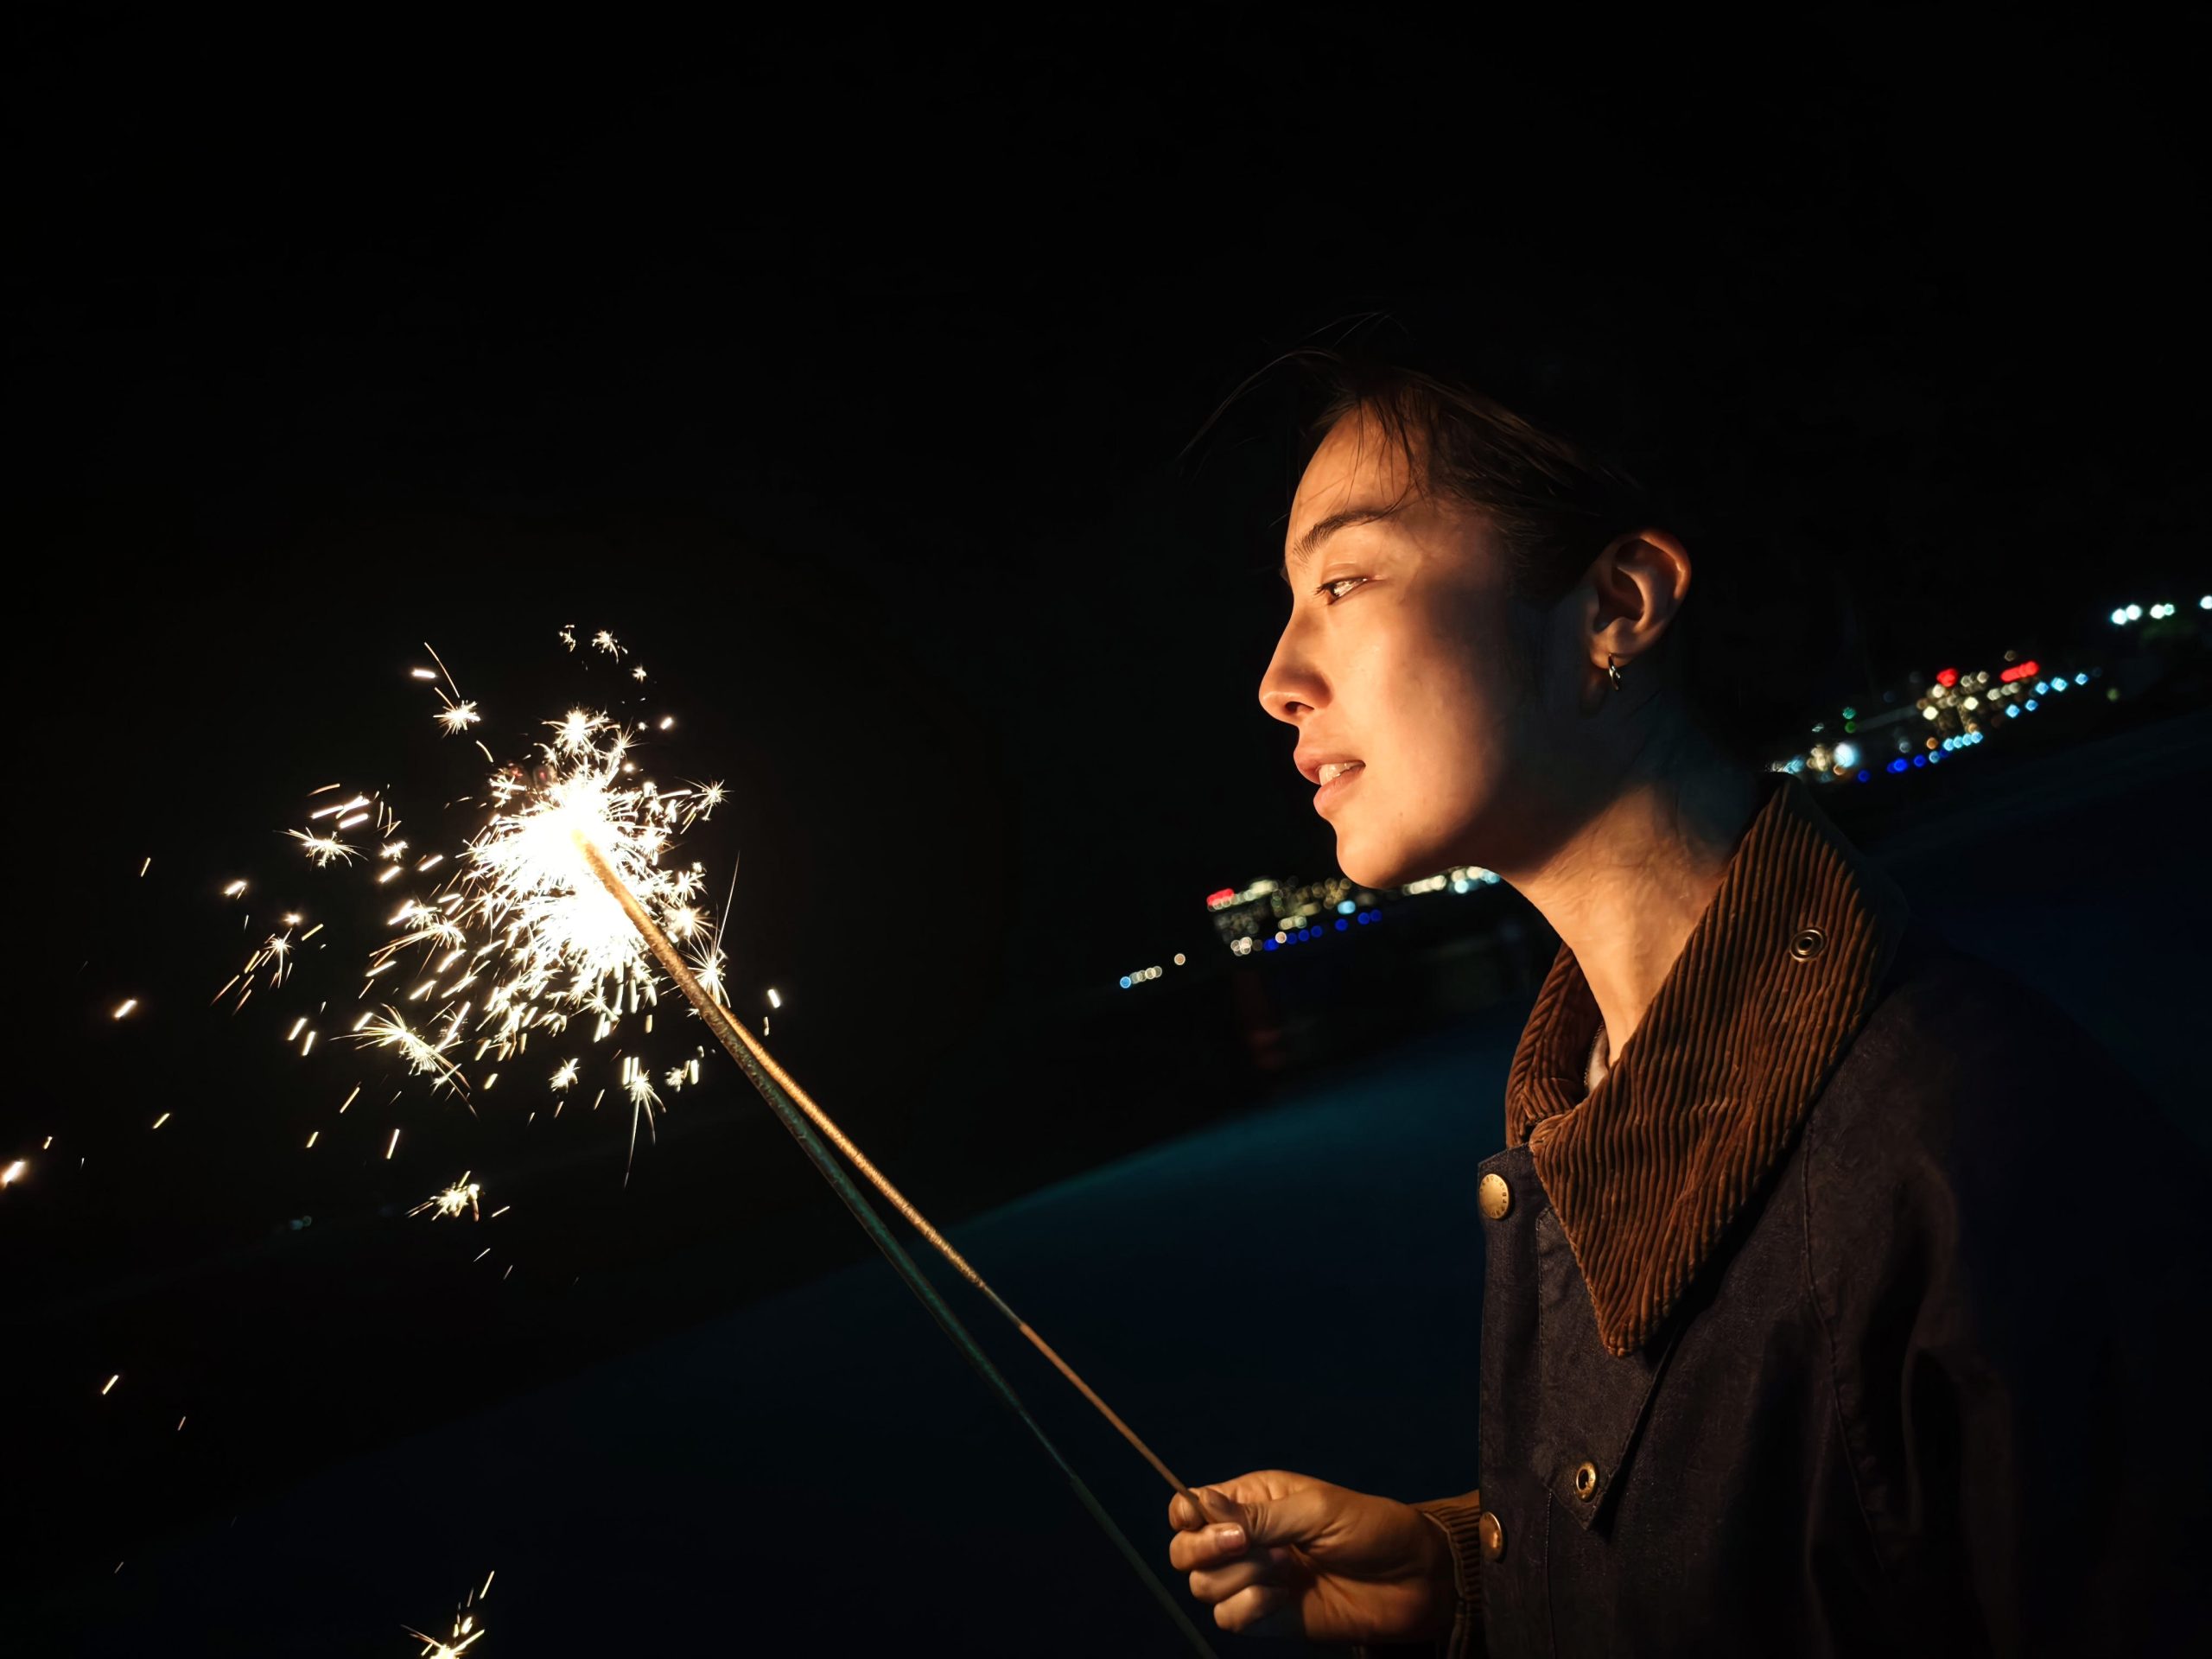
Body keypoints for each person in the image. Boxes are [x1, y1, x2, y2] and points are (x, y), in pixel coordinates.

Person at [1163, 327, 2210, 1656]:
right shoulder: (1585, 1102)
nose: (1277, 681)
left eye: (1345, 579)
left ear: (1618, 603)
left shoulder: (1968, 1152)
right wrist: (1467, 1585)